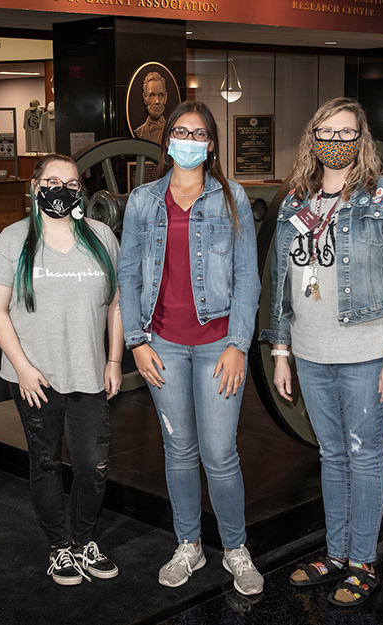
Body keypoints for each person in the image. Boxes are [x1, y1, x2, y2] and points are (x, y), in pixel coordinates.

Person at [262, 97, 383, 607]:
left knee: (364, 454)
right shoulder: (294, 202)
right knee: (331, 455)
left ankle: (362, 561)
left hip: (366, 352)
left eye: (345, 133)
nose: (335, 142)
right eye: (326, 132)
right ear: (313, 138)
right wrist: (281, 351)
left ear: (362, 139)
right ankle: (335, 554)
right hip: (311, 353)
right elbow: (281, 284)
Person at [118, 101, 263, 596]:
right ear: (168, 141)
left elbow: (248, 277)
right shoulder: (142, 201)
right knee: (179, 450)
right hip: (163, 345)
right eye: (180, 131)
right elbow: (129, 272)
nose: (188, 139)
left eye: (198, 133)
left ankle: (236, 548)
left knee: (221, 453)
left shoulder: (232, 197)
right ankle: (189, 545)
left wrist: (239, 345)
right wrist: (135, 341)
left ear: (212, 144)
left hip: (218, 343)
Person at [0, 154, 123, 586]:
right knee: (45, 463)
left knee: (93, 467)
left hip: (89, 372)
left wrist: (115, 359)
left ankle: (83, 542)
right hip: (34, 378)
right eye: (53, 180)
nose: (63, 188)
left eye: (72, 182)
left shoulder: (101, 237)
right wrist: (22, 368)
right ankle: (59, 547)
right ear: (36, 185)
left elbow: (117, 304)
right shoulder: (14, 238)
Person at [133, 72, 167, 143]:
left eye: (160, 95)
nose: (157, 101)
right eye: (152, 95)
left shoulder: (172, 133)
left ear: (165, 98)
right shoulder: (139, 132)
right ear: (145, 98)